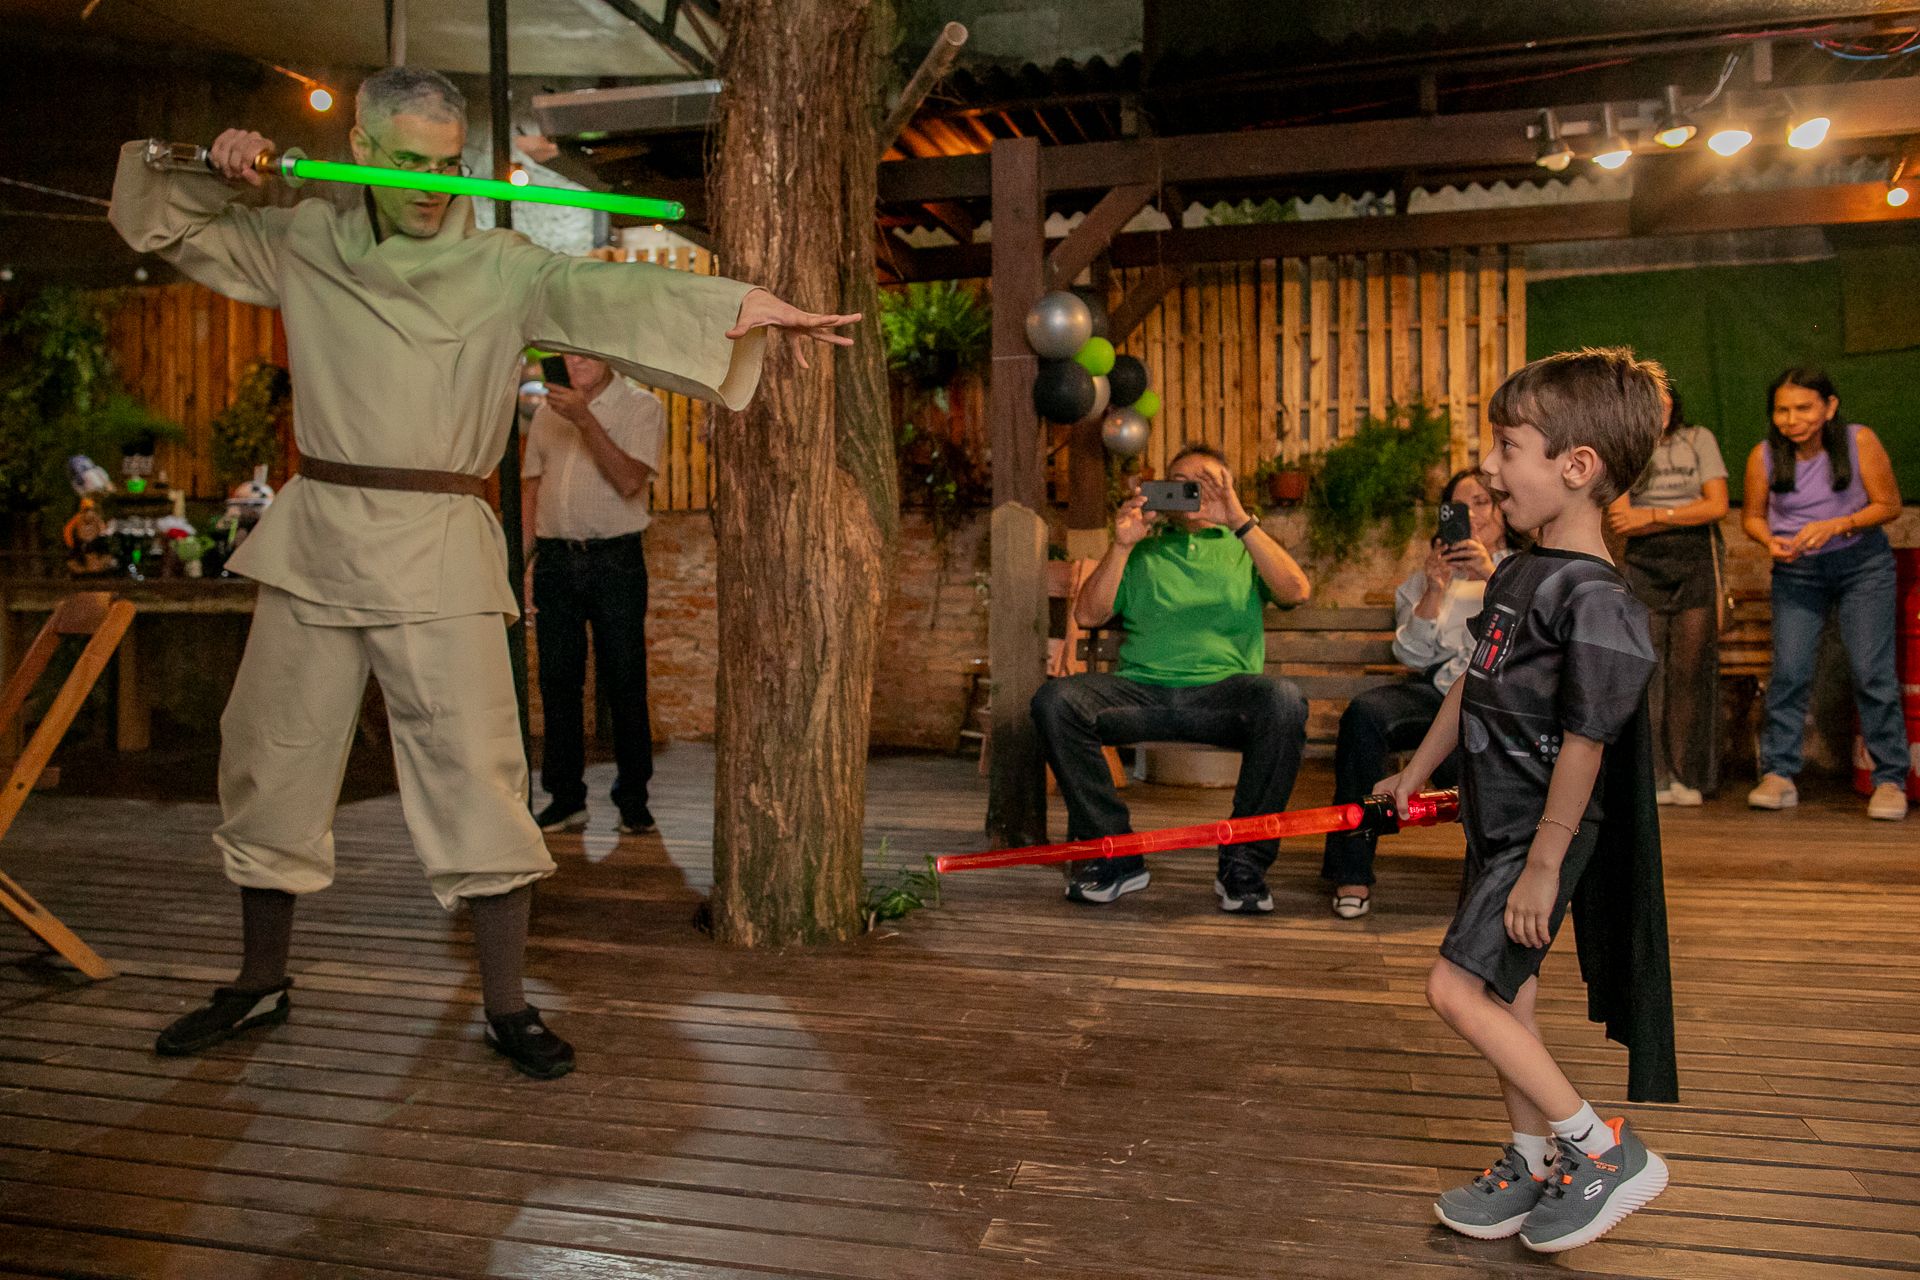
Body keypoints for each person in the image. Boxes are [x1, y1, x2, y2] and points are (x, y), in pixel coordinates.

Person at [110, 66, 858, 1079]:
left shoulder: (504, 267)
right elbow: (160, 218)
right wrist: (217, 166)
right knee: (269, 757)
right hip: (320, 536)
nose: (429, 184)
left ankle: (507, 1001)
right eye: (406, 161)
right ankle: (259, 980)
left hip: (440, 547)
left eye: (445, 162)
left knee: (479, 770)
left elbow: (606, 292)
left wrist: (736, 304)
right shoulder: (303, 239)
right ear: (361, 153)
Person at [1380, 348, 1678, 1254]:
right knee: (1508, 999)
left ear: (1576, 466)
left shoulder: (1597, 601)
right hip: (1495, 823)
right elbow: (1471, 684)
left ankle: (1602, 1149)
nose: (1491, 468)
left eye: (1509, 448)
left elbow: (1587, 743)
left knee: (1455, 988)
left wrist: (1544, 864)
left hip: (1539, 836)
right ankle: (1532, 1157)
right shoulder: (1518, 575)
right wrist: (1417, 772)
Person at [1031, 442, 1313, 912]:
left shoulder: (1245, 547)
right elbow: (1089, 614)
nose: (1194, 492)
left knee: (1283, 701)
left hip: (1223, 697)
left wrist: (1239, 521)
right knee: (1056, 701)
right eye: (1182, 483)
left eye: (1208, 482)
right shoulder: (1144, 550)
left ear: (1230, 489)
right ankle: (1116, 853)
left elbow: (1297, 591)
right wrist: (1122, 544)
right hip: (1142, 692)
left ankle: (1243, 864)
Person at [1322, 469, 1513, 918]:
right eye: (1460, 506)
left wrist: (1490, 575)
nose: (1472, 515)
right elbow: (1410, 654)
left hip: (1494, 700)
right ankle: (1351, 871)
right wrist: (1434, 589)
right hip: (1435, 691)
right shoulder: (1426, 577)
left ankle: (1495, 881)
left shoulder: (1517, 572)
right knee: (1365, 714)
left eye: (1482, 502)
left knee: (1478, 756)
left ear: (1504, 510)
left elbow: (1525, 636)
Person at [1740, 368, 1908, 821]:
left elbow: (1889, 505)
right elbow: (1752, 517)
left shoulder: (1859, 441)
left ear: (1829, 407)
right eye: (1782, 410)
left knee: (1871, 671)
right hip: (1796, 572)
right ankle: (1778, 774)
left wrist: (1837, 525)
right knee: (1790, 671)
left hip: (1862, 566)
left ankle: (1890, 779)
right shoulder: (1763, 455)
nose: (1791, 420)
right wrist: (1769, 540)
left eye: (1803, 408)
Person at [522, 354, 664, 837]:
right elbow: (531, 491)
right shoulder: (546, 414)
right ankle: (565, 799)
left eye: (586, 350)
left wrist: (584, 419)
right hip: (555, 560)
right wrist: (521, 565)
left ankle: (633, 800)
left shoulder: (641, 407)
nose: (576, 360)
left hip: (615, 560)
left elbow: (629, 481)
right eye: (568, 351)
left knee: (624, 680)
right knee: (558, 683)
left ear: (607, 355)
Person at [1607, 389, 1730, 806]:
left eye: (1662, 402)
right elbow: (1621, 519)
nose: (1656, 409)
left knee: (1690, 671)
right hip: (1643, 563)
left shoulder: (1698, 439)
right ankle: (1654, 777)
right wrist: (1684, 513)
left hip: (1695, 560)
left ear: (1674, 403)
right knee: (1649, 669)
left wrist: (1654, 515)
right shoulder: (1625, 446)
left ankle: (1687, 776)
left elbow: (1716, 506)